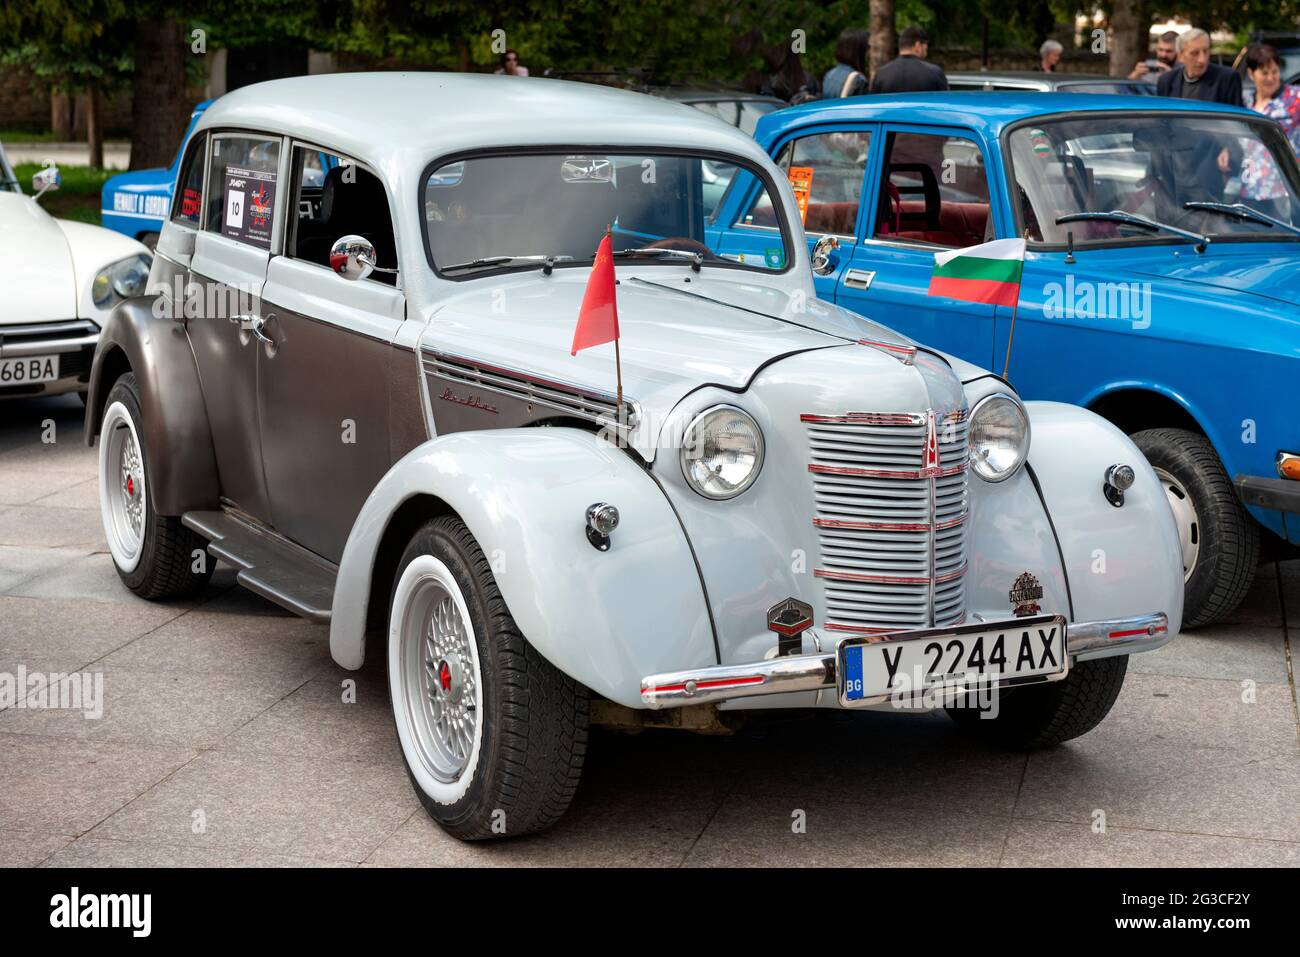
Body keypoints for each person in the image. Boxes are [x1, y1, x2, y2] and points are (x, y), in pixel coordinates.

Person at [1156, 28, 1242, 104]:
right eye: (1194, 53)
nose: (1202, 59)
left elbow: (1238, 119)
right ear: (1180, 56)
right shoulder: (1166, 81)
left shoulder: (1227, 79)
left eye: (1206, 51)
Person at [1243, 43, 1300, 156]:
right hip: (1249, 171)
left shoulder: (1295, 96)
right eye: (1264, 73)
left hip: (1285, 172)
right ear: (1251, 73)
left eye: (1275, 72)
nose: (1270, 78)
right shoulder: (1245, 101)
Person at [870, 26, 948, 94]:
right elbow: (944, 105)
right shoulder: (935, 72)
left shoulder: (881, 74)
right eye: (925, 48)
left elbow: (874, 105)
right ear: (917, 46)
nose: (926, 52)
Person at [821, 28, 870, 98]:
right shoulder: (859, 80)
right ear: (860, 50)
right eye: (867, 47)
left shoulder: (829, 75)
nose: (869, 52)